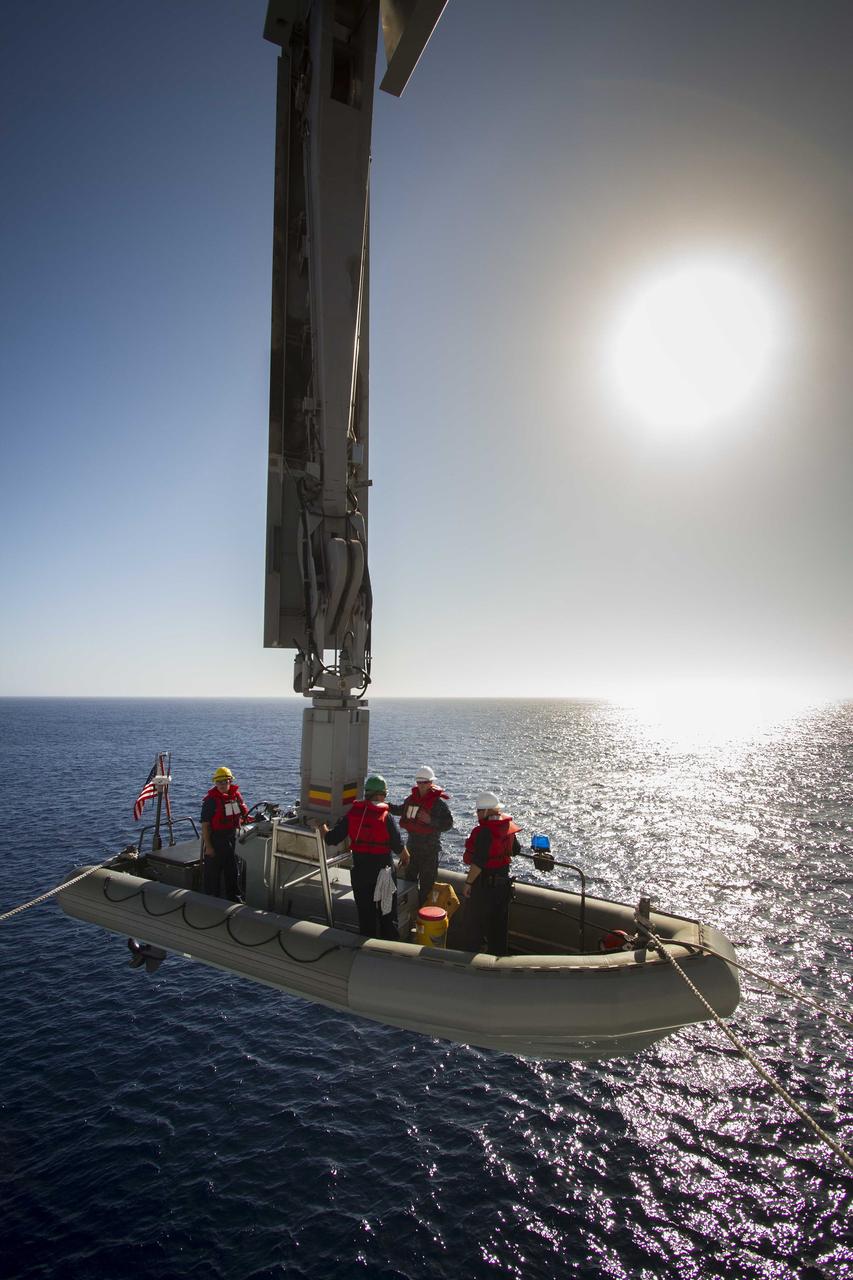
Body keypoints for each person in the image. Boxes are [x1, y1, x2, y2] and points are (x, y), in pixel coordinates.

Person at [323, 774, 409, 940]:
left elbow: (332, 838)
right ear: (379, 794)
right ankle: (390, 950)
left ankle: (366, 951)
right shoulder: (386, 816)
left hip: (361, 872)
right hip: (384, 873)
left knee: (366, 916)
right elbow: (399, 847)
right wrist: (405, 857)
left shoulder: (354, 813)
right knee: (388, 916)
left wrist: (323, 829)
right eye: (384, 794)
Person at [457, 790, 520, 956]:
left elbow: (478, 862)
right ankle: (497, 960)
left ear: (486, 811)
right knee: (498, 929)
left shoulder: (484, 831)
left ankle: (470, 960)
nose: (477, 814)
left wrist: (468, 883)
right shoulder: (507, 827)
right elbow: (516, 850)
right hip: (503, 887)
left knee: (473, 926)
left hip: (483, 887)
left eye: (478, 810)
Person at [390, 765, 453, 906]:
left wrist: (430, 820)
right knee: (408, 884)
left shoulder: (439, 804)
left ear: (431, 783)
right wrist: (384, 805)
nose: (422, 785)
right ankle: (410, 916)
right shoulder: (411, 800)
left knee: (427, 889)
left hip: (429, 853)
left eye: (425, 782)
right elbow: (400, 810)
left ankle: (423, 920)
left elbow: (448, 824)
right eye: (419, 782)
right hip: (412, 850)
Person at [200, 765, 249, 901]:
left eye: (225, 782)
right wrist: (209, 847)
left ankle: (234, 898)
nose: (221, 785)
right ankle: (211, 899)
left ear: (230, 782)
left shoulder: (236, 797)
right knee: (213, 874)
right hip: (216, 840)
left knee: (232, 871)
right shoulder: (210, 801)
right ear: (215, 783)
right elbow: (205, 825)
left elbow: (244, 815)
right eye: (219, 782)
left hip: (232, 838)